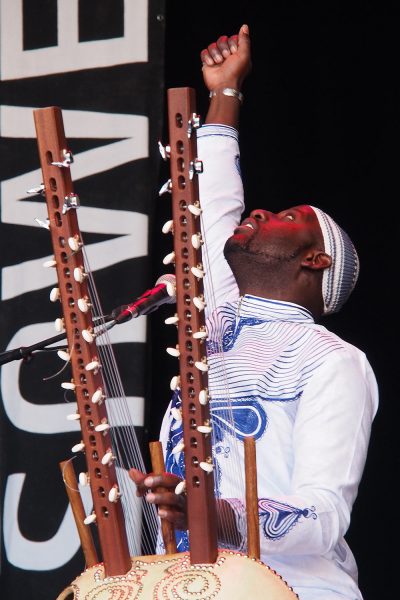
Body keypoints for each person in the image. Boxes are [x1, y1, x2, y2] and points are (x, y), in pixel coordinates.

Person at [130, 24, 378, 600]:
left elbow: (324, 515)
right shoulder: (218, 322)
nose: (263, 210)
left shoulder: (333, 361)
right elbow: (213, 207)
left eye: (288, 217)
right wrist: (224, 93)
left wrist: (215, 513)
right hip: (194, 586)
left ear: (315, 261)